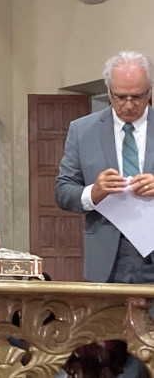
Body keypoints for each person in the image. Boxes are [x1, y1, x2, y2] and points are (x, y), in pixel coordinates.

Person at [56, 50, 154, 285]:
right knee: (108, 322)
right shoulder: (82, 130)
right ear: (108, 93)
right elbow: (62, 191)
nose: (129, 105)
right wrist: (93, 192)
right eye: (120, 97)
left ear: (150, 92)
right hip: (108, 258)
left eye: (137, 97)